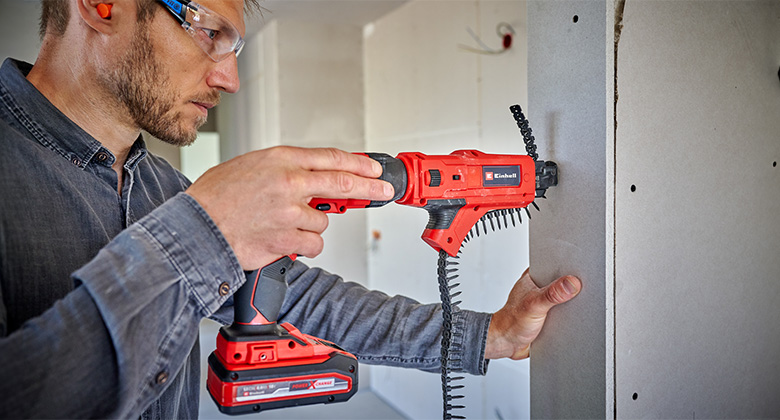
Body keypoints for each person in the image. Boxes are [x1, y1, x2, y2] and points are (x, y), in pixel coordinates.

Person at [0, 0, 582, 418]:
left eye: (236, 48)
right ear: (103, 6)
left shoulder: (163, 186)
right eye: (208, 32)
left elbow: (303, 299)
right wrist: (205, 232)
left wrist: (492, 336)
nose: (229, 78)